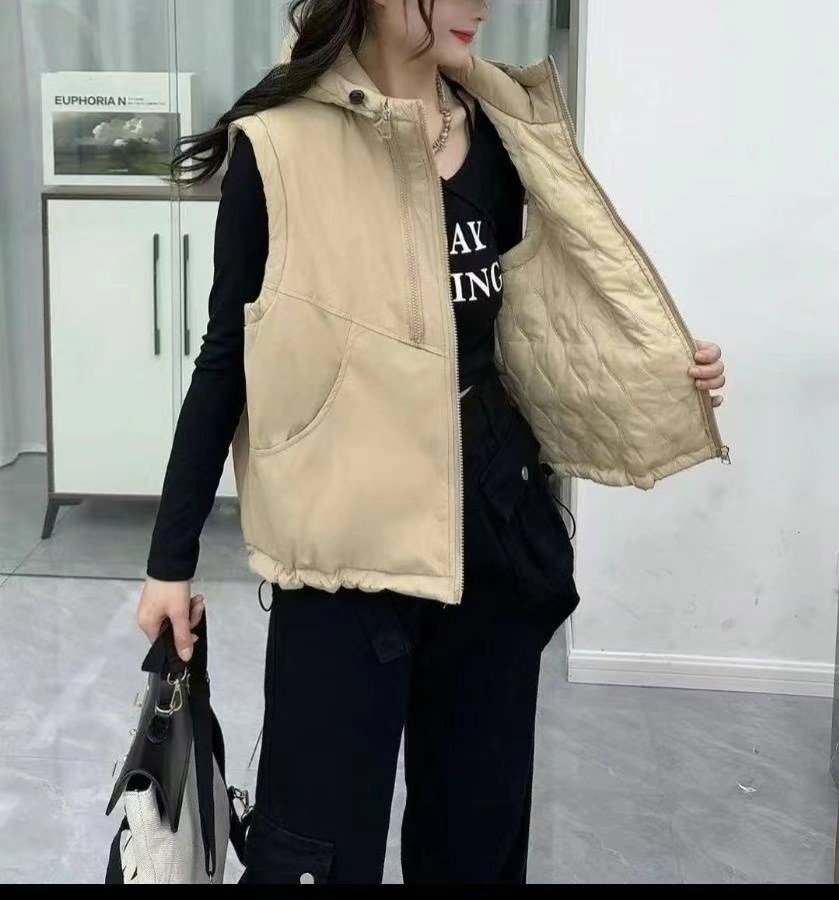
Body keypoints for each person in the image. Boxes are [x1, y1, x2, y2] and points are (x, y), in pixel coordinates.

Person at [136, 0, 728, 884]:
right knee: (316, 854)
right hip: (345, 549)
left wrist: (655, 370)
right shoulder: (280, 145)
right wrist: (168, 562)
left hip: (490, 525)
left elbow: (525, 326)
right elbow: (228, 358)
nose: (481, 4)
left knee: (476, 847)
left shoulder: (495, 129)